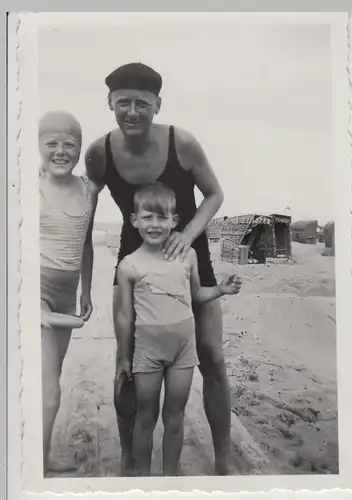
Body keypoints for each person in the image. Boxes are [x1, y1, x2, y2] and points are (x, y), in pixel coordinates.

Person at [85, 62, 232, 475]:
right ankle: (132, 461)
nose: (132, 111)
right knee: (127, 361)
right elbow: (82, 210)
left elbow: (215, 194)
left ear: (157, 104)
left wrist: (186, 236)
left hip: (189, 252)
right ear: (110, 103)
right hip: (132, 260)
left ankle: (223, 460)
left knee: (212, 355)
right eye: (123, 103)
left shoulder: (180, 142)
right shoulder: (98, 152)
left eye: (142, 104)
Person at [116, 182, 242, 476]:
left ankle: (170, 478)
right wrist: (124, 356)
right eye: (148, 217)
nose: (155, 224)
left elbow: (196, 294)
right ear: (134, 220)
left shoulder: (188, 257)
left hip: (183, 352)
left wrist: (221, 289)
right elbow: (124, 317)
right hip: (147, 352)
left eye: (163, 217)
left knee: (175, 415)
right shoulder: (129, 266)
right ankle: (144, 482)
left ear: (175, 221)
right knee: (145, 417)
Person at [39, 110, 100, 474]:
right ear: (38, 146)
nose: (60, 151)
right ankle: (39, 462)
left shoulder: (88, 191)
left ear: (79, 150)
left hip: (67, 291)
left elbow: (87, 242)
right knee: (48, 387)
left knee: (51, 375)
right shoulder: (28, 186)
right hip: (35, 288)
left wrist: (86, 291)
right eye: (51, 143)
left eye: (69, 144)